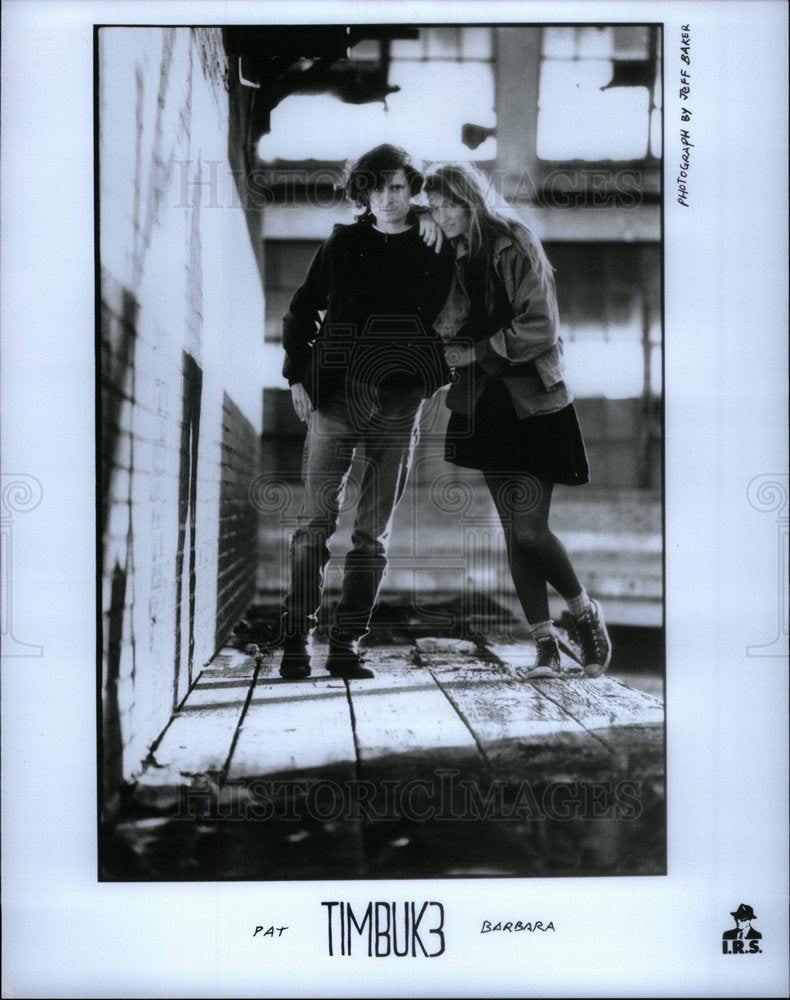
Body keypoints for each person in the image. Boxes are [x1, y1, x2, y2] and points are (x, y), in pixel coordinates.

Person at [424, 162, 612, 679]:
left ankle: (584, 614)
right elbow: (443, 327)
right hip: (483, 404)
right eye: (433, 208)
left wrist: (478, 351)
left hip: (533, 402)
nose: (441, 216)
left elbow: (540, 326)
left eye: (448, 205)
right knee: (511, 531)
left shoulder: (515, 242)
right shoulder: (451, 253)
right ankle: (546, 647)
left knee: (530, 529)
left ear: (470, 201)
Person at [279, 144, 454, 680]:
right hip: (335, 393)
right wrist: (296, 376)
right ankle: (296, 641)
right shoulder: (344, 242)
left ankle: (346, 643)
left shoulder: (436, 245)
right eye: (376, 188)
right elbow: (303, 309)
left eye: (398, 187)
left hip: (400, 398)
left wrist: (434, 222)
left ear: (412, 190)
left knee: (372, 532)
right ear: (363, 192)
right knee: (315, 523)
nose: (387, 198)